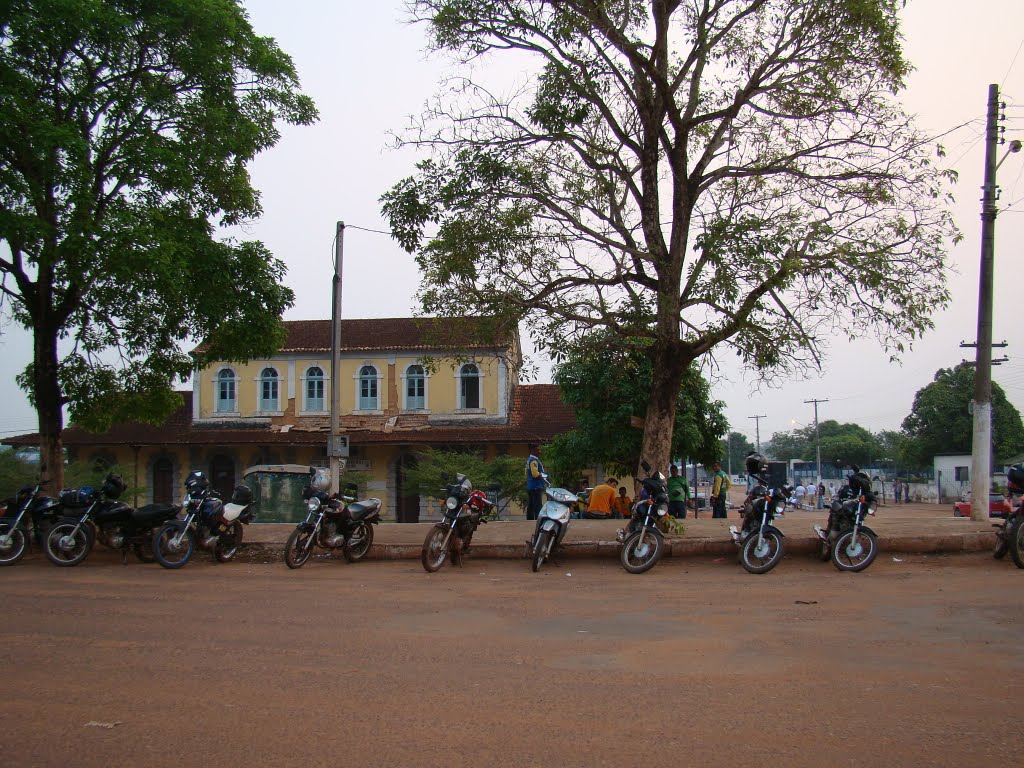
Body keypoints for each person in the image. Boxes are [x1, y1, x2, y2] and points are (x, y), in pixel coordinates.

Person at [525, 445, 545, 521]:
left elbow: (526, 473)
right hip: (536, 486)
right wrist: (542, 476)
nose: (539, 452)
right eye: (538, 450)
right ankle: (538, 520)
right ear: (533, 450)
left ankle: (529, 519)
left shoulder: (529, 460)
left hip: (530, 486)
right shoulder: (534, 460)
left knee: (531, 505)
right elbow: (535, 473)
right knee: (537, 505)